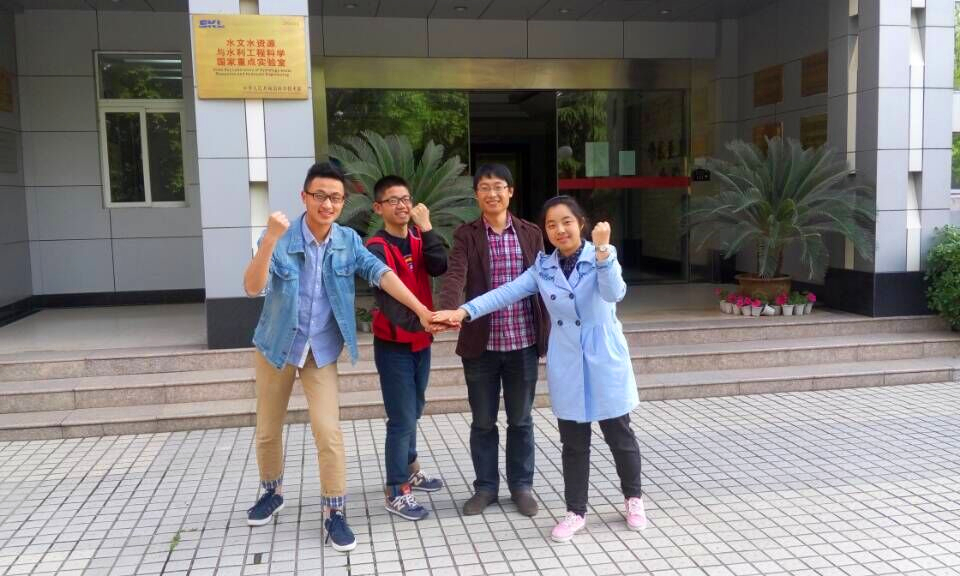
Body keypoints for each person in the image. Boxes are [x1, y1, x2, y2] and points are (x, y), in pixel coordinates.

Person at [241, 162, 443, 553]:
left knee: (329, 432)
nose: (328, 204)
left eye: (335, 197)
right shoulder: (280, 237)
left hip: (320, 350)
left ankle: (334, 511)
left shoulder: (348, 241)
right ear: (304, 197)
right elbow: (252, 287)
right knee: (267, 429)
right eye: (320, 196)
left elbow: (382, 273)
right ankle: (271, 491)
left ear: (343, 202)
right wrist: (268, 241)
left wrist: (420, 309)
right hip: (276, 347)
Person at [433, 195, 647, 542]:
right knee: (573, 442)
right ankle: (575, 512)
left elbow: (614, 293)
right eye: (551, 224)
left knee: (619, 435)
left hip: (604, 357)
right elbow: (504, 293)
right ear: (545, 231)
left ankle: (633, 499)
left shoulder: (601, 255)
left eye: (566, 221)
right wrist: (463, 311)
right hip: (567, 360)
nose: (560, 230)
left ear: (581, 223)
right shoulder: (543, 268)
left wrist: (604, 252)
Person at [438, 164, 550, 517]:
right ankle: (485, 487)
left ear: (510, 192)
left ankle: (521, 486)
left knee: (521, 420)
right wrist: (449, 309)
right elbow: (456, 274)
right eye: (485, 188)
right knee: (483, 422)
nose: (492, 193)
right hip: (481, 347)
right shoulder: (466, 234)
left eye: (499, 186)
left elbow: (544, 279)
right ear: (476, 195)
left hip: (523, 343)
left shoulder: (531, 233)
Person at [365, 175, 447, 521]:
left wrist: (427, 228)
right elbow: (390, 303)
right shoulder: (375, 248)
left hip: (421, 340)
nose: (402, 205)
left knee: (414, 408)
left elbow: (440, 266)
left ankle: (411, 468)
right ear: (378, 207)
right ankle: (396, 489)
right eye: (393, 200)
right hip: (393, 343)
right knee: (400, 418)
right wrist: (423, 321)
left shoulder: (417, 238)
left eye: (406, 199)